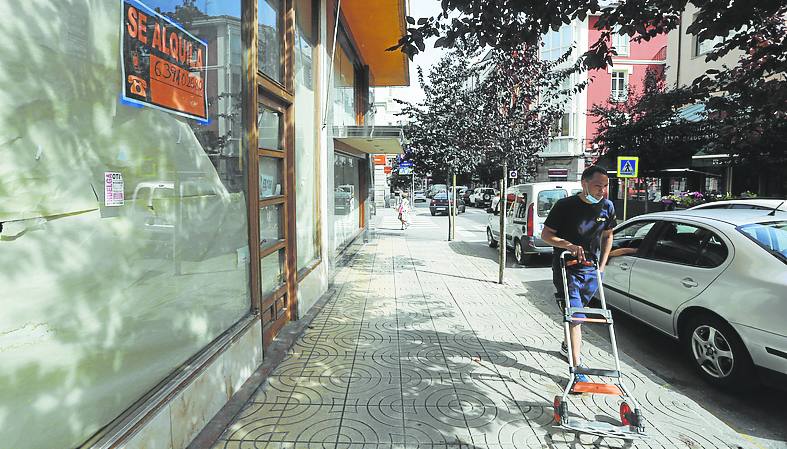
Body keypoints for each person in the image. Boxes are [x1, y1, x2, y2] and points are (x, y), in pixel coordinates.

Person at [541, 165, 617, 387]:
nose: (601, 191)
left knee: (577, 314)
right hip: (567, 268)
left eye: (605, 186)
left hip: (591, 271)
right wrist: (569, 245)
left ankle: (567, 346)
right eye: (597, 186)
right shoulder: (565, 206)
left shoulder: (607, 206)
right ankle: (577, 368)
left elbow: (608, 236)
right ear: (584, 183)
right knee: (575, 318)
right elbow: (546, 235)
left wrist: (602, 266)